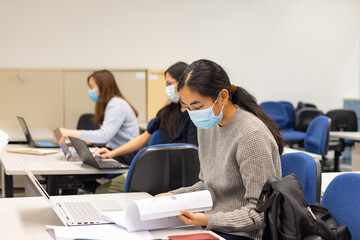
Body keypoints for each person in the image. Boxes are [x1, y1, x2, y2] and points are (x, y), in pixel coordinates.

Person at [156, 59, 283, 240]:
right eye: (187, 107)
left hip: (245, 233)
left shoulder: (251, 136)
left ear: (223, 96)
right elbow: (207, 184)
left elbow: (258, 213)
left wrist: (207, 220)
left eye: (198, 107)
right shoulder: (207, 125)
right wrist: (172, 197)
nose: (193, 114)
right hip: (215, 224)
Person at [93, 62, 198, 193]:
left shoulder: (195, 116)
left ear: (182, 83)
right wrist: (112, 153)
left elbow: (193, 154)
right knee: (103, 190)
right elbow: (143, 138)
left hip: (177, 175)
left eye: (170, 83)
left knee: (102, 191)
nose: (168, 88)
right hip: (157, 170)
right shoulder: (166, 112)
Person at [57, 70, 139, 165]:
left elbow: (104, 136)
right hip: (118, 152)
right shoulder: (109, 104)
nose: (90, 91)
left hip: (125, 157)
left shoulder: (116, 105)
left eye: (92, 87)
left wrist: (69, 133)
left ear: (103, 86)